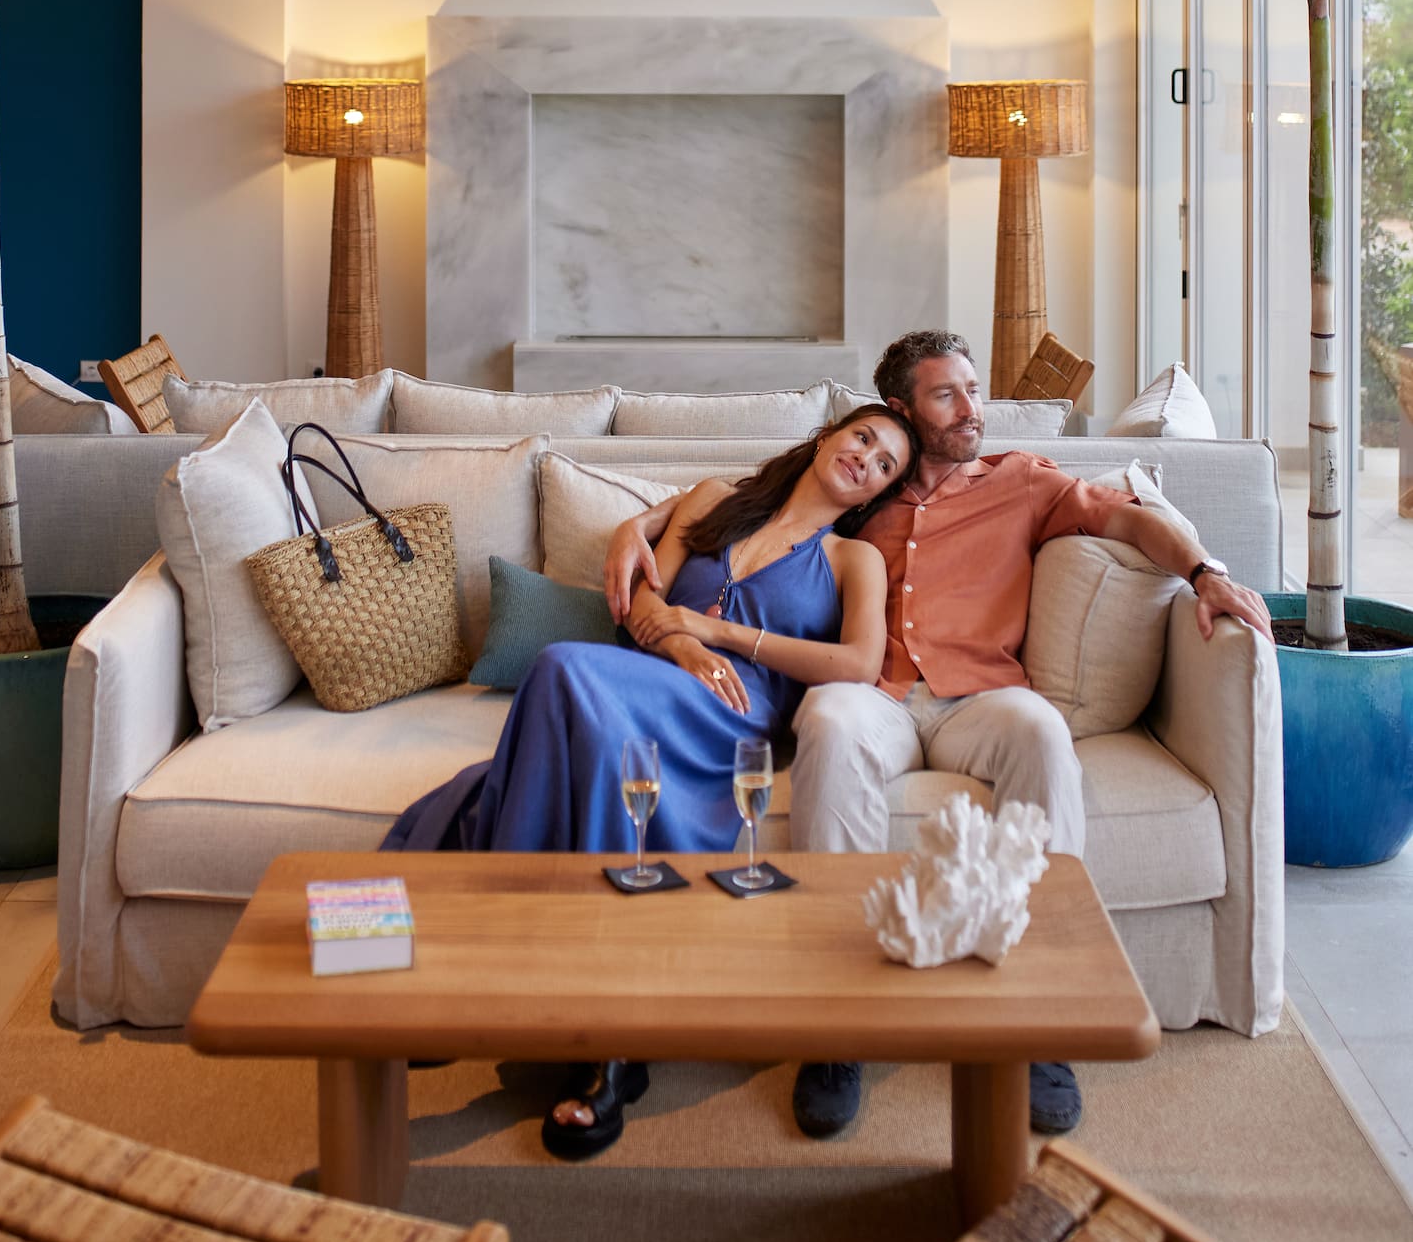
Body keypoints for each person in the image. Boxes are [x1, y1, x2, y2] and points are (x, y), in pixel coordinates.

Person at [605, 331, 1273, 1142]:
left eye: (974, 391)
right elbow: (755, 503)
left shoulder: (1023, 480)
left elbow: (1129, 519)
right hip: (876, 694)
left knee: (1042, 736)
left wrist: (1205, 573)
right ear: (901, 410)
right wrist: (637, 523)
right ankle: (837, 1027)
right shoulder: (863, 489)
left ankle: (1043, 1019)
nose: (971, 411)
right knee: (829, 721)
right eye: (947, 395)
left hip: (982, 696)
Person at [382, 402, 918, 1160]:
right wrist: (680, 644)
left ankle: (496, 975)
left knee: (561, 670)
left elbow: (859, 664)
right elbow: (641, 599)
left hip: (730, 714)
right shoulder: (712, 501)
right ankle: (609, 1045)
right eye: (862, 437)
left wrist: (718, 634)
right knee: (573, 689)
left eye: (886, 464)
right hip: (644, 675)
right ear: (828, 436)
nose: (867, 458)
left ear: (878, 493)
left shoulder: (851, 560)